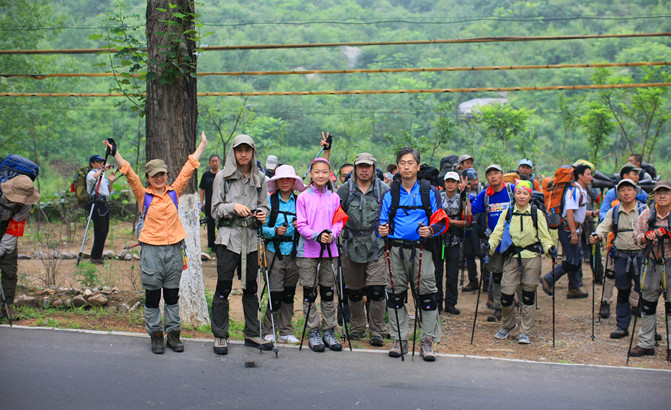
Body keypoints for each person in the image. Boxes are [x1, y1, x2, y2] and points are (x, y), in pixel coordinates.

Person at [106, 133, 207, 354]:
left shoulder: (174, 192)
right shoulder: (144, 196)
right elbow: (130, 174)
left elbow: (188, 170)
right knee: (153, 296)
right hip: (151, 251)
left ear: (166, 175)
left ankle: (173, 334)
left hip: (173, 251)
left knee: (172, 295)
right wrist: (115, 154)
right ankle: (155, 335)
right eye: (154, 175)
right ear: (149, 178)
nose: (159, 178)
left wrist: (201, 146)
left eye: (162, 174)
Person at [378, 147, 448, 362]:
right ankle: (399, 339)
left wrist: (431, 230)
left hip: (422, 250)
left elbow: (441, 222)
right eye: (402, 163)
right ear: (397, 167)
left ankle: (427, 340)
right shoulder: (391, 193)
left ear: (418, 166)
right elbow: (382, 222)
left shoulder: (429, 191)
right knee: (396, 296)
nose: (406, 167)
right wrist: (382, 230)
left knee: (427, 296)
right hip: (395, 250)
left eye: (410, 163)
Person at [210, 134, 272, 355]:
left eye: (247, 150)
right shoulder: (222, 178)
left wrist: (262, 214)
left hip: (251, 240)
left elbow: (266, 206)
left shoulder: (261, 179)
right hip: (228, 239)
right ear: (233, 152)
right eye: (239, 150)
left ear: (253, 152)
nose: (243, 154)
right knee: (223, 288)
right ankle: (220, 335)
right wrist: (233, 206)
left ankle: (252, 334)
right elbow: (215, 209)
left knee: (251, 288)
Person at [487, 180, 555, 344]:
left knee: (528, 295)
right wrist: (488, 246)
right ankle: (508, 324)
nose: (522, 196)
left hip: (531, 257)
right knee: (506, 294)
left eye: (525, 193)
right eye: (519, 193)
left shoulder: (536, 213)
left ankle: (525, 331)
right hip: (512, 258)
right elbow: (497, 233)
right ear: (514, 194)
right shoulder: (508, 211)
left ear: (530, 195)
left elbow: (545, 237)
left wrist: (550, 249)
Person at [336, 152, 389, 347]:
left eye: (368, 166)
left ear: (374, 168)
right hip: (351, 245)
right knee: (355, 292)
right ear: (355, 169)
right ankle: (357, 328)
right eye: (360, 166)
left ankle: (377, 330)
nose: (364, 170)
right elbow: (334, 213)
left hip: (376, 245)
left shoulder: (383, 190)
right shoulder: (344, 190)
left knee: (376, 290)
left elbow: (391, 214)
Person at [296, 157, 348, 352]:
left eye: (324, 172)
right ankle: (313, 330)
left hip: (329, 252)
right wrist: (317, 236)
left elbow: (339, 221)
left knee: (328, 291)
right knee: (309, 292)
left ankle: (329, 330)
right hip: (308, 252)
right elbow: (301, 224)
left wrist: (332, 235)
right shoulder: (303, 197)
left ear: (329, 175)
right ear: (311, 173)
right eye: (317, 171)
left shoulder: (334, 198)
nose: (320, 175)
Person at [590, 179, 645, 339]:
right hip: (621, 256)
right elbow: (603, 227)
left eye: (629, 189)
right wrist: (597, 236)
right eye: (622, 190)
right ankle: (622, 326)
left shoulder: (644, 210)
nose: (626, 193)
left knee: (646, 293)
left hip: (641, 256)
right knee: (623, 291)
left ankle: (650, 330)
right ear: (618, 193)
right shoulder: (613, 212)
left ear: (635, 192)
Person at [261, 165, 306, 344]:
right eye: (282, 179)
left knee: (289, 292)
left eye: (288, 179)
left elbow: (308, 226)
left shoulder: (300, 202)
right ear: (277, 182)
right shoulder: (269, 202)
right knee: (275, 293)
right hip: (274, 252)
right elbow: (261, 229)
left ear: (294, 182)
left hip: (294, 253)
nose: (285, 182)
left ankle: (286, 330)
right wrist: (274, 231)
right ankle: (269, 329)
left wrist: (299, 227)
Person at [540, 164, 596, 299]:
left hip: (573, 228)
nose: (591, 177)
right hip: (568, 230)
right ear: (580, 176)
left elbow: (578, 212)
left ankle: (574, 287)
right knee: (571, 260)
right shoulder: (574, 191)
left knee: (577, 258)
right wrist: (573, 233)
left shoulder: (580, 190)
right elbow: (569, 213)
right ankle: (548, 278)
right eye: (588, 174)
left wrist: (593, 213)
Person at [630, 180, 671, 359]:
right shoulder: (646, 215)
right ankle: (646, 343)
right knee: (647, 303)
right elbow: (636, 239)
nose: (662, 196)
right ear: (654, 195)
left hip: (670, 262)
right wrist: (647, 237)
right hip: (652, 262)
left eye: (666, 192)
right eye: (659, 192)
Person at [471, 164, 515, 322]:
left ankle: (516, 305)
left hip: (513, 241)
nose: (493, 176)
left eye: (496, 173)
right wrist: (465, 196)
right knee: (496, 274)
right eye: (490, 174)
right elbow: (473, 212)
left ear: (502, 174)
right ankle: (498, 307)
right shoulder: (485, 195)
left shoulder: (512, 190)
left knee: (515, 273)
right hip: (494, 241)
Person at [0, 175, 40, 321]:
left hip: (8, 232)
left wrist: (2, 248)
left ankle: (6, 305)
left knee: (9, 271)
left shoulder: (26, 204)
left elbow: (15, 226)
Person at [439, 171, 471, 314]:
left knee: (452, 274)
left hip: (454, 240)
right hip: (439, 240)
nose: (450, 184)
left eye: (453, 181)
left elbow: (468, 219)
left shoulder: (461, 198)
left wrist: (466, 195)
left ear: (458, 184)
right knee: (437, 273)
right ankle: (437, 301)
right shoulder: (439, 197)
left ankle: (450, 303)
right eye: (448, 181)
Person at [86, 154, 116, 264]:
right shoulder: (92, 173)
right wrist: (103, 169)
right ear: (92, 163)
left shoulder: (102, 176)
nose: (100, 164)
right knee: (100, 230)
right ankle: (95, 256)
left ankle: (98, 254)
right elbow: (92, 178)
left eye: (101, 162)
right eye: (98, 162)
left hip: (104, 203)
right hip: (97, 204)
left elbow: (109, 191)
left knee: (104, 230)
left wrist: (111, 181)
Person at [199, 154, 221, 251]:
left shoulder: (222, 174)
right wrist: (201, 202)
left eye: (216, 161)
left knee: (221, 225)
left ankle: (221, 245)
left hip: (221, 204)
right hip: (209, 204)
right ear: (209, 163)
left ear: (219, 162)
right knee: (210, 225)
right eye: (213, 161)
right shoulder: (206, 175)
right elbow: (202, 189)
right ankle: (211, 246)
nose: (215, 163)